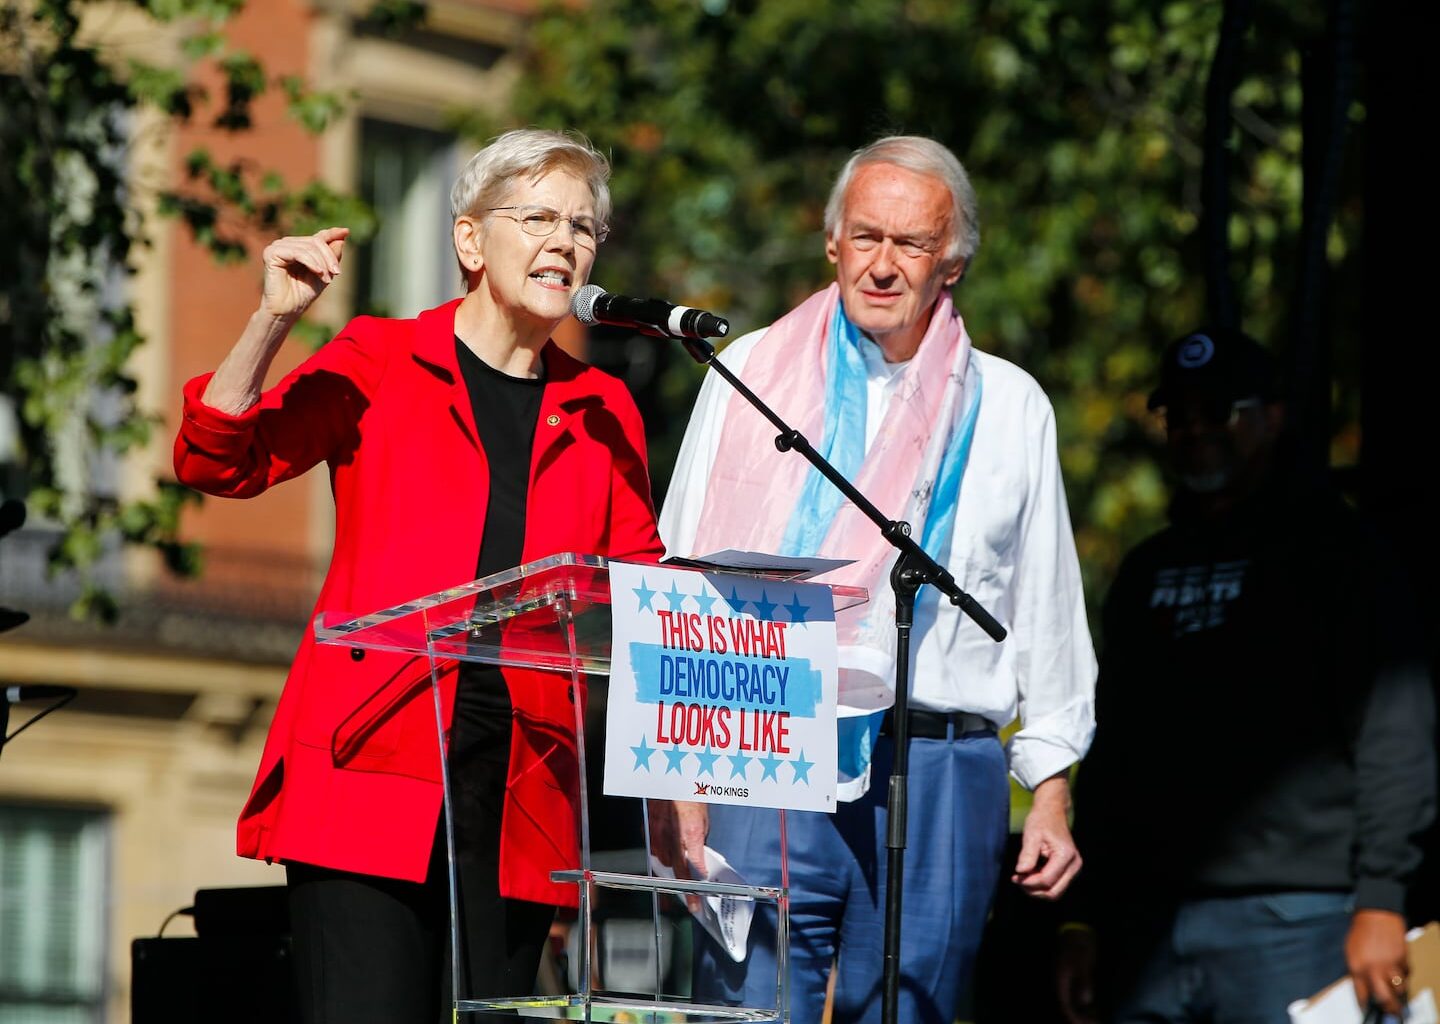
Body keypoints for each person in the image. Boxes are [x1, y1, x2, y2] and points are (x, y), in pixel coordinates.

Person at [172, 128, 664, 1024]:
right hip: (375, 762)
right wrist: (273, 318)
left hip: (524, 794)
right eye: (540, 218)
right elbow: (219, 462)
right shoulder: (381, 360)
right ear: (470, 241)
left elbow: (640, 599)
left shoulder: (603, 409)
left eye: (585, 227)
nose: (566, 242)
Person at [653, 135, 1098, 1024]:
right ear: (832, 243)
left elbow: (1042, 607)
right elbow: (681, 584)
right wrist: (676, 786)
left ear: (954, 264)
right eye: (866, 237)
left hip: (940, 763)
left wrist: (1050, 790)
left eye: (911, 244)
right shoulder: (745, 378)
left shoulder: (1008, 406)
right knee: (747, 1011)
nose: (883, 266)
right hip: (767, 745)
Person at [1056, 327, 1436, 1024]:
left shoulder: (1340, 553)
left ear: (1273, 416)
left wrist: (1382, 898)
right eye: (1180, 415)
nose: (1196, 430)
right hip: (1147, 928)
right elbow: (1114, 758)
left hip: (1298, 919)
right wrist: (1084, 919)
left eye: (1219, 412)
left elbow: (1395, 729)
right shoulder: (1147, 571)